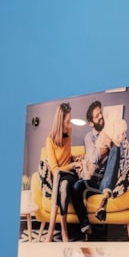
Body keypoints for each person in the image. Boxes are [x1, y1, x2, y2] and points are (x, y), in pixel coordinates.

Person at [70, 101, 129, 232]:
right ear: (91, 123)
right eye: (97, 116)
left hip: (108, 179)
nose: (101, 116)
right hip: (92, 180)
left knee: (116, 147)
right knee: (76, 187)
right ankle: (86, 226)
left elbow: (120, 152)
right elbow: (93, 158)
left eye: (100, 113)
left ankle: (103, 202)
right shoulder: (89, 137)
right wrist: (107, 146)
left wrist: (110, 145)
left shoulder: (111, 130)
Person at [44, 102, 82, 243]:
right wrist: (72, 163)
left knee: (62, 179)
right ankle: (63, 231)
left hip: (70, 174)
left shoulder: (69, 131)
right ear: (60, 122)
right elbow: (55, 170)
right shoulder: (49, 140)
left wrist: (74, 159)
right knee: (62, 183)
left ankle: (51, 233)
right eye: (67, 121)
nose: (69, 124)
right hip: (59, 176)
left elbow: (66, 155)